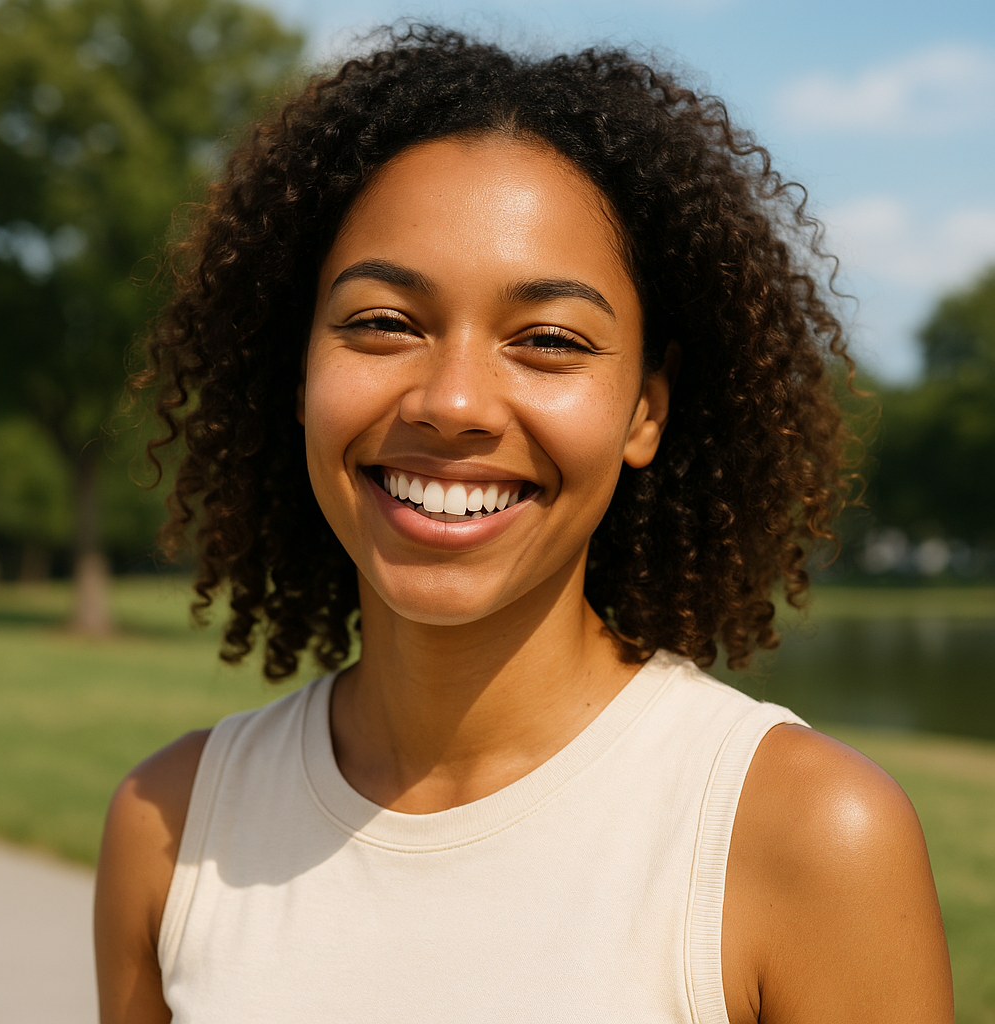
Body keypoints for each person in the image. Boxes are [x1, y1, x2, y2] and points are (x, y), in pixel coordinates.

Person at [95, 25, 954, 1024]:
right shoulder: (169, 829)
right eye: (384, 322)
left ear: (646, 410)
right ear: (298, 374)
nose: (452, 402)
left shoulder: (804, 835)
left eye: (547, 339)